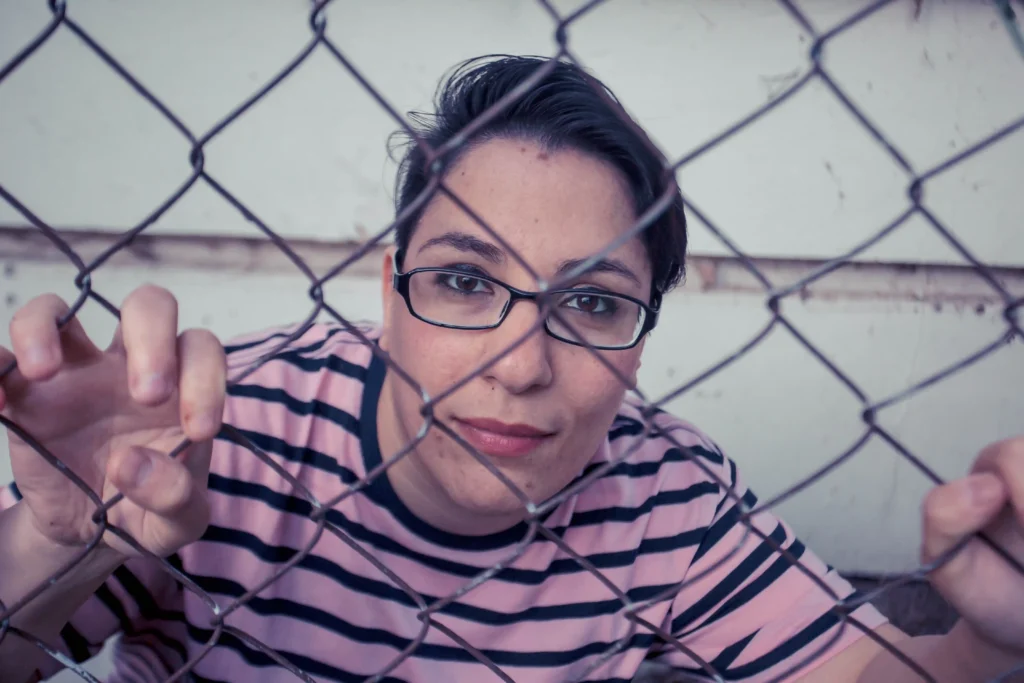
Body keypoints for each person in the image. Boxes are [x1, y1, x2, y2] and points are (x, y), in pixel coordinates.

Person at [0, 55, 1021, 683]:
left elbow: (849, 670)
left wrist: (985, 641)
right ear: (389, 292)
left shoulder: (662, 486)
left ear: (643, 330)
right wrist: (60, 535)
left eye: (590, 302)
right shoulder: (219, 432)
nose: (522, 364)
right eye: (461, 282)